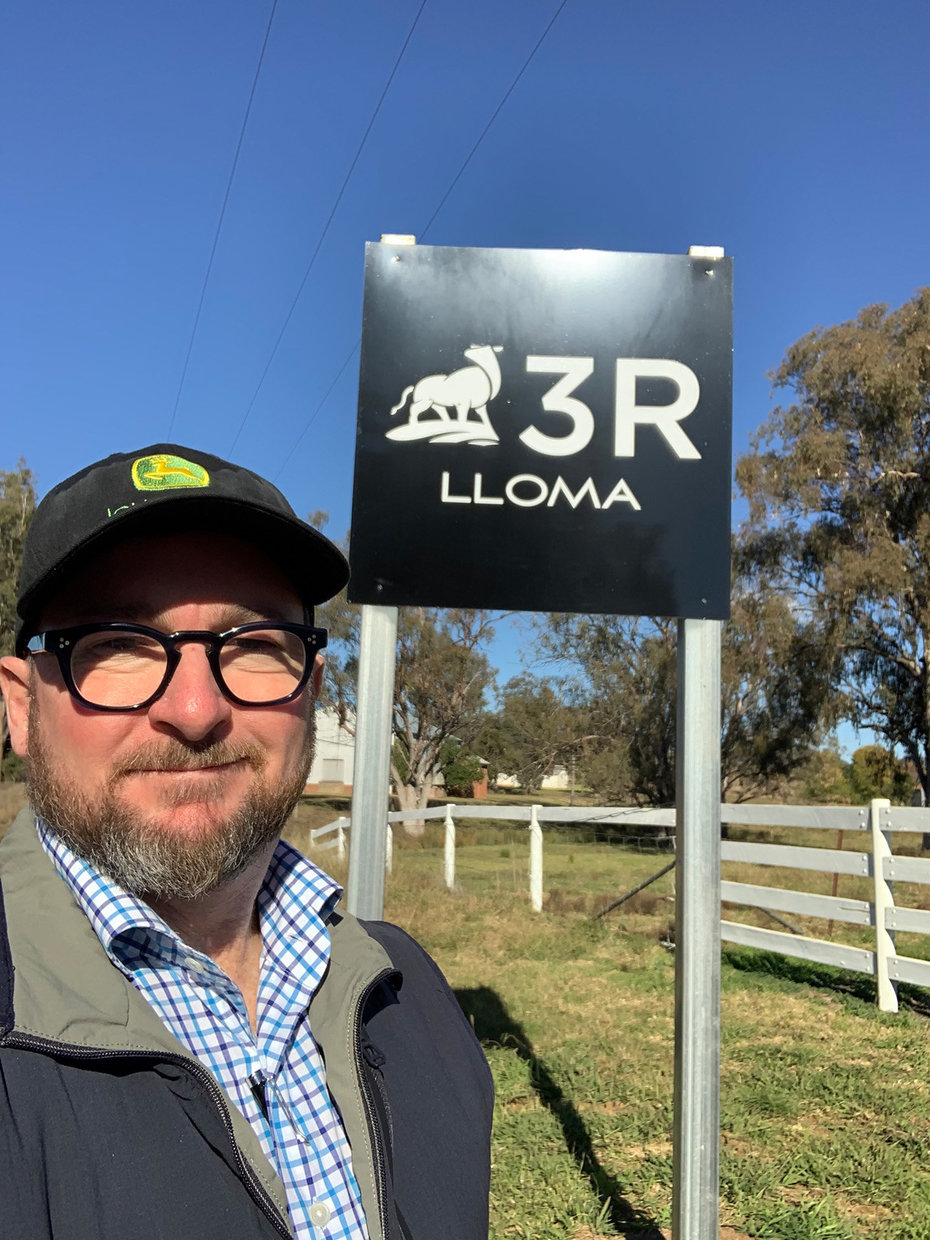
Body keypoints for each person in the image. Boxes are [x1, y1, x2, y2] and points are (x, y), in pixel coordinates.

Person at [0, 444, 493, 1240]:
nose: (195, 712)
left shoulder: (412, 996)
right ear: (21, 707)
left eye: (255, 644)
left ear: (312, 695)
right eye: (118, 645)